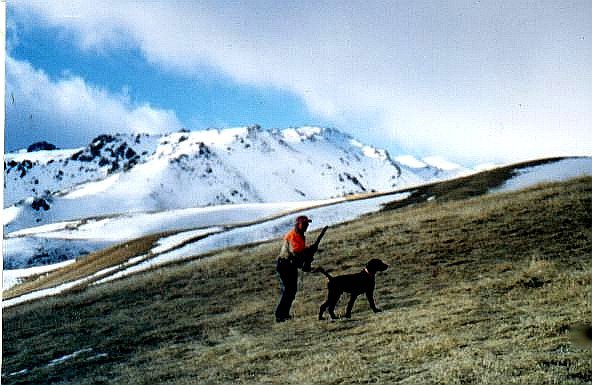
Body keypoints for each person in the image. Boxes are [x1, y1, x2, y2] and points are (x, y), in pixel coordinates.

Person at [275, 215, 318, 322]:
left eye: (307, 224)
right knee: (289, 290)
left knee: (291, 290)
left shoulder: (300, 235)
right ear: (298, 224)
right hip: (285, 265)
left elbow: (300, 252)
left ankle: (284, 314)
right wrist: (308, 252)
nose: (306, 226)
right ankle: (280, 315)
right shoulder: (293, 235)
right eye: (304, 224)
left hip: (290, 265)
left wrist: (308, 250)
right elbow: (296, 252)